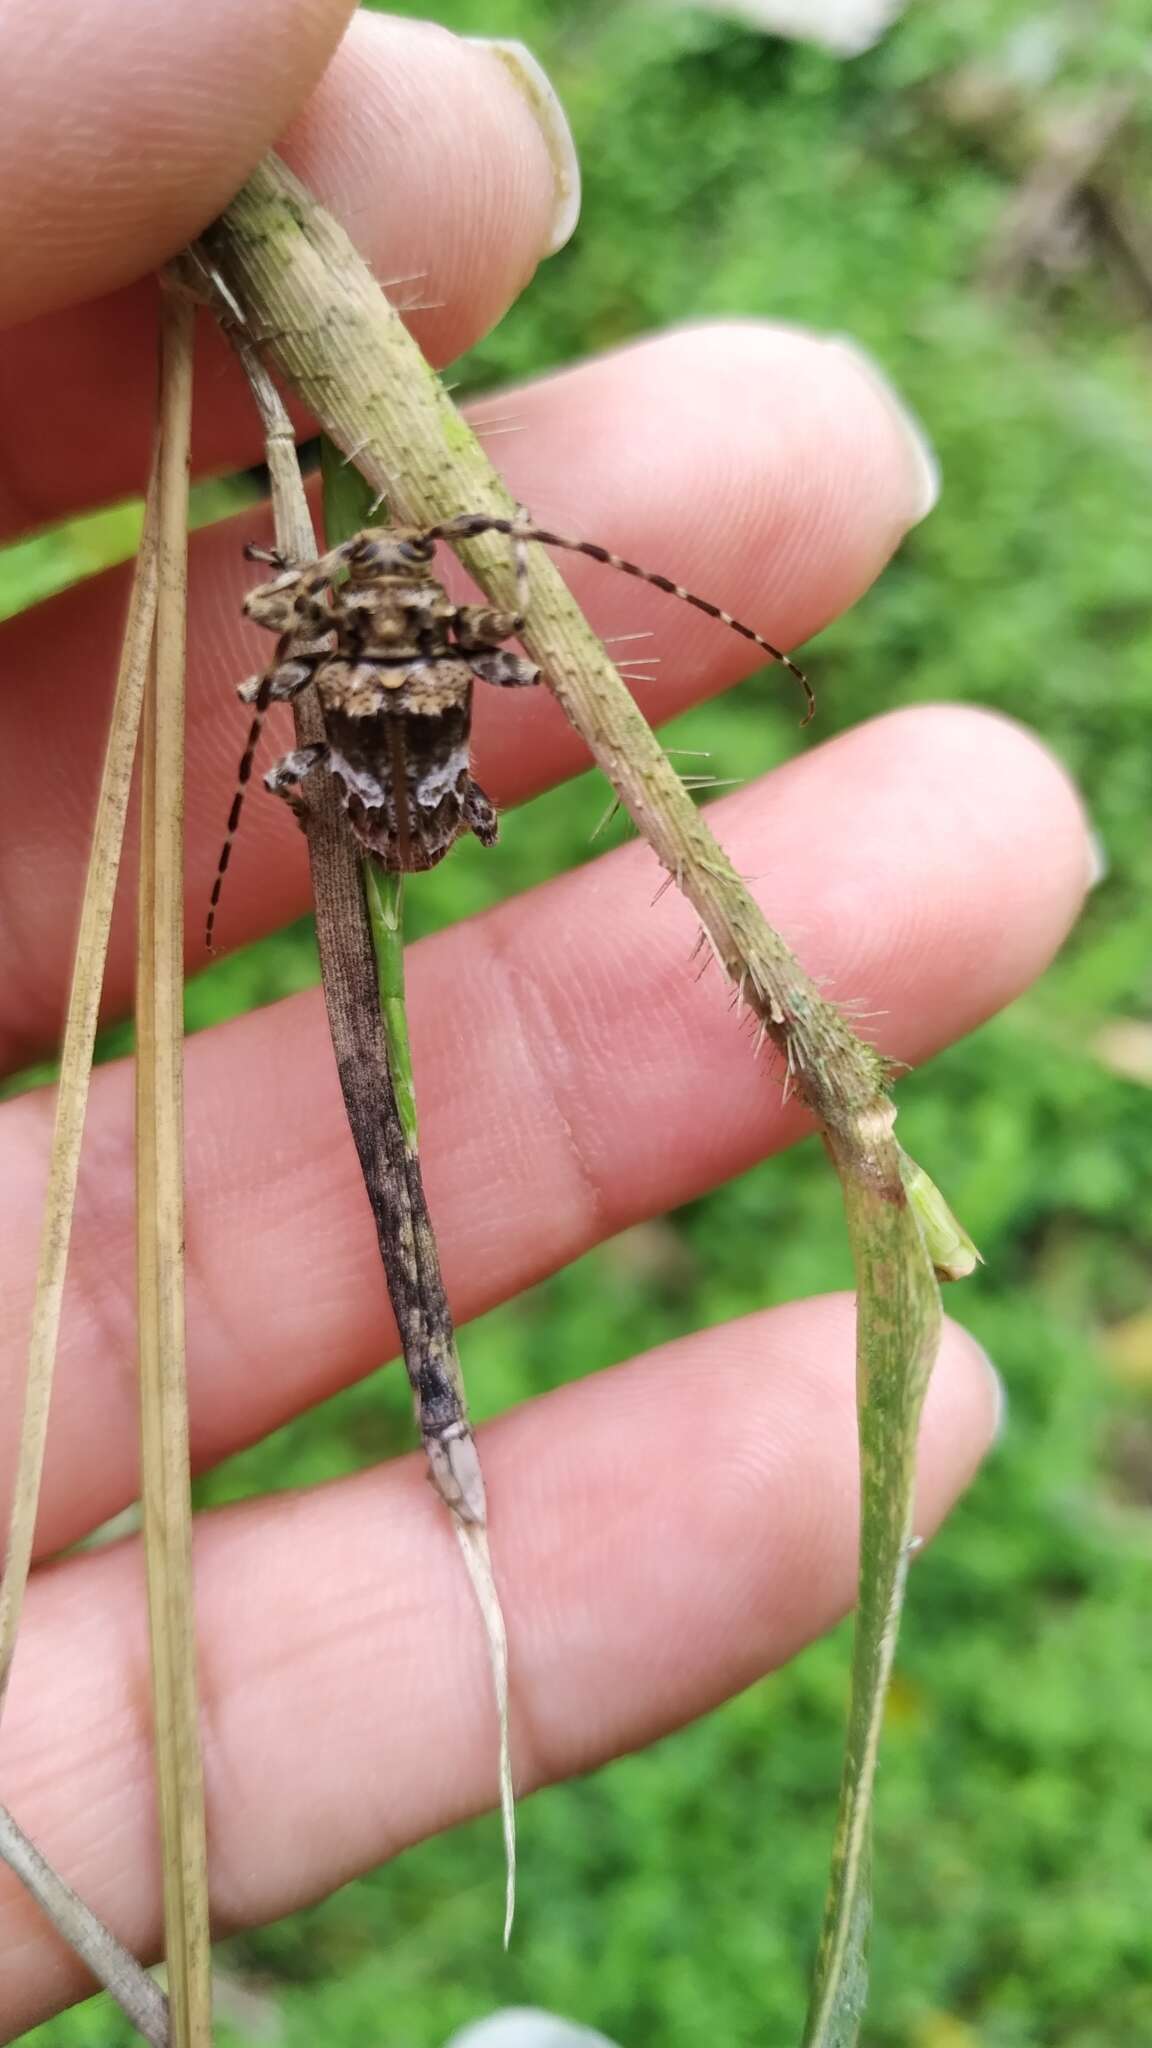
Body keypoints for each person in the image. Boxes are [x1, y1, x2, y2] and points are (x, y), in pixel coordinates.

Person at [0, 5, 1096, 2039]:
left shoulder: (327, 633)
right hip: (399, 768)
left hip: (381, 772)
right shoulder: (396, 627)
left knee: (349, 780)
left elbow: (280, 658)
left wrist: (321, 693)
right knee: (379, 784)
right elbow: (344, 654)